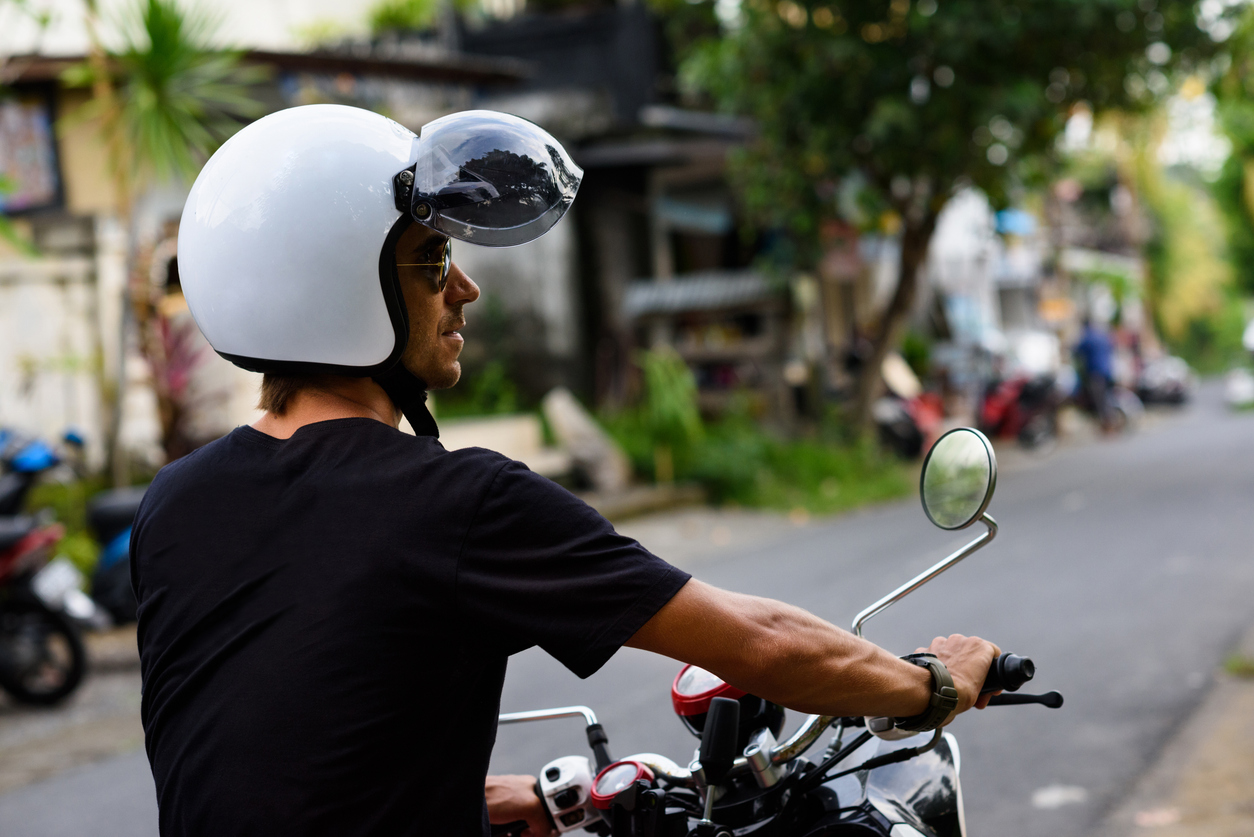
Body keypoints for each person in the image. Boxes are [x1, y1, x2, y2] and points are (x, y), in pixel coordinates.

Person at [132, 105, 1000, 837]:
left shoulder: (172, 506)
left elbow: (275, 774)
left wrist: (495, 800)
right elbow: (758, 642)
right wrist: (932, 683)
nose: (465, 289)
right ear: (339, 289)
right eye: (434, 260)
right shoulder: (457, 503)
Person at [1073, 316, 1115, 429]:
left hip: (1096, 372)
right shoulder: (1101, 335)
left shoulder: (1088, 337)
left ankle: (1108, 424)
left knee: (1100, 400)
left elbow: (1076, 351)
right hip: (1108, 370)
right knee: (1107, 397)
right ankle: (1111, 421)